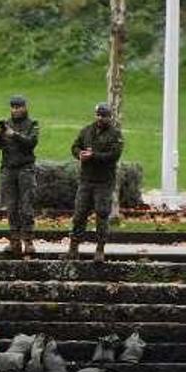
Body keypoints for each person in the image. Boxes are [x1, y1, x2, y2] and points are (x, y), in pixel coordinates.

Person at [69, 102, 124, 263]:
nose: (100, 118)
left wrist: (94, 156)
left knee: (102, 213)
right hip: (86, 180)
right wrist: (79, 154)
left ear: (110, 117)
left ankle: (100, 248)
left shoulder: (115, 135)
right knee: (79, 214)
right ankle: (73, 247)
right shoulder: (87, 131)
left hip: (104, 181)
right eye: (99, 115)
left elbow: (114, 155)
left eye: (104, 115)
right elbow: (75, 146)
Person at [0, 95, 40, 258]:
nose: (15, 110)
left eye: (18, 107)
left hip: (25, 169)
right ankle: (14, 240)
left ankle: (28, 240)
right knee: (11, 207)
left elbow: (31, 142)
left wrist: (14, 135)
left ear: (25, 107)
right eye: (13, 107)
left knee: (26, 206)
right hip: (8, 168)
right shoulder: (7, 124)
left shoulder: (32, 124)